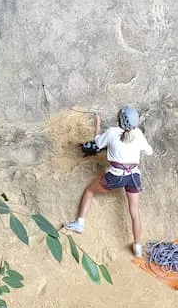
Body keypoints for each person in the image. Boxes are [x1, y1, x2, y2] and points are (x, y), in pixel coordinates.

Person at [65, 106, 153, 257]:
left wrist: (98, 124)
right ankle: (138, 247)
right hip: (133, 176)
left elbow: (98, 144)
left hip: (116, 176)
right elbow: (149, 151)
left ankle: (80, 223)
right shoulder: (138, 134)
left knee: (89, 191)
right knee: (134, 211)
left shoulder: (112, 132)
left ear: (121, 119)